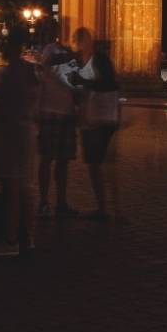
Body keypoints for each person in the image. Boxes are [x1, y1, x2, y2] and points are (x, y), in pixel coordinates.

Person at [0, 22, 39, 256]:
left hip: (11, 134)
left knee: (12, 188)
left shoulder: (9, 73)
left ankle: (10, 240)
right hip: (26, 131)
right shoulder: (30, 71)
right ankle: (29, 236)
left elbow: (2, 109)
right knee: (24, 187)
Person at [71, 34, 121, 220]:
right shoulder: (89, 61)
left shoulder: (98, 60)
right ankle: (109, 207)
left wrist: (83, 82)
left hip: (99, 121)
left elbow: (106, 84)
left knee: (99, 165)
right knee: (101, 166)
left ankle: (107, 208)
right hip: (98, 119)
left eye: (78, 41)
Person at [34, 42, 78, 217]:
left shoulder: (64, 68)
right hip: (52, 116)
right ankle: (48, 202)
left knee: (59, 162)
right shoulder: (47, 69)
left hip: (61, 116)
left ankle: (58, 202)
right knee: (52, 161)